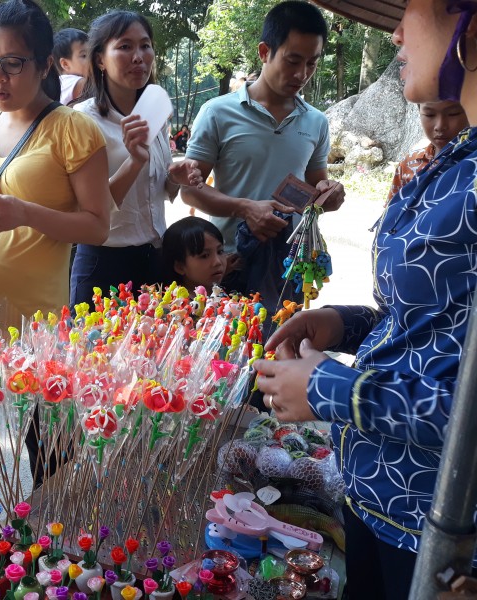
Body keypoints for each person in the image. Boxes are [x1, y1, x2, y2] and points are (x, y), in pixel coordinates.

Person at [254, 0, 477, 597]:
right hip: (377, 497)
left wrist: (329, 389)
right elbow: (437, 329)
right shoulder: (457, 160)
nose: (398, 32)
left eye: (413, 8)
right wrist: (343, 323)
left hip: (439, 528)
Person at [0, 0, 112, 508]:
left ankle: (53, 546)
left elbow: (98, 226)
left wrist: (25, 214)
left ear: (45, 64)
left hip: (33, 321)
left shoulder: (73, 130)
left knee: (50, 443)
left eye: (13, 63)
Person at [180, 1, 345, 313]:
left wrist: (330, 194)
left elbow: (316, 187)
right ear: (265, 52)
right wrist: (245, 209)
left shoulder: (316, 122)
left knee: (279, 352)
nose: (302, 73)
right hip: (230, 263)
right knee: (228, 355)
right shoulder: (217, 113)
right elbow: (190, 189)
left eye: (312, 63)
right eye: (293, 60)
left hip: (288, 267)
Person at [70, 10, 202, 307]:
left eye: (145, 45)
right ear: (100, 59)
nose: (139, 56)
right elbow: (87, 210)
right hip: (104, 266)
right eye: (125, 47)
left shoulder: (155, 111)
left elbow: (156, 192)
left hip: (157, 259)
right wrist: (134, 161)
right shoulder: (82, 121)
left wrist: (175, 178)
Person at [387, 99, 468, 200]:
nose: (440, 126)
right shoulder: (409, 164)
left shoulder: (473, 166)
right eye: (429, 114)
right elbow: (392, 212)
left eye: (453, 113)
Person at [161, 216, 225, 292]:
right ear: (180, 267)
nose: (217, 262)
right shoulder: (180, 302)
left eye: (220, 252)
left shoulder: (219, 293)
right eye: (204, 256)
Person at [53, 27, 90, 105]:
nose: (91, 59)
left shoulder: (58, 82)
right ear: (65, 64)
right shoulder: (77, 83)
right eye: (84, 56)